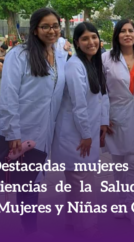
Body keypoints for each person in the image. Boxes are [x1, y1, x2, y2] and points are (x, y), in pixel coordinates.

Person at [0, 7, 66, 236]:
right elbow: (8, 95)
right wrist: (12, 132)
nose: (51, 30)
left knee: (31, 179)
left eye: (55, 26)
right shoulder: (20, 55)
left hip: (45, 128)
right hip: (23, 129)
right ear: (35, 30)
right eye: (45, 26)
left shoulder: (59, 54)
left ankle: (29, 224)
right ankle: (29, 228)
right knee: (26, 181)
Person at [51, 22, 108, 238]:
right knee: (84, 186)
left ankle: (71, 223)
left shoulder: (94, 63)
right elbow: (79, 105)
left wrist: (102, 123)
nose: (91, 42)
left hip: (87, 131)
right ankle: (87, 229)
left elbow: (103, 95)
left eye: (93, 37)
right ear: (76, 43)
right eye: (85, 39)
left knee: (78, 185)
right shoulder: (75, 65)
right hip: (76, 135)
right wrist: (86, 135)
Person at [101, 19, 134, 226]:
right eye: (122, 31)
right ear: (117, 35)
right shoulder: (106, 58)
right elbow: (101, 91)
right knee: (118, 163)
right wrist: (103, 117)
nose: (127, 34)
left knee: (133, 163)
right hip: (115, 116)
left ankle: (132, 205)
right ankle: (121, 201)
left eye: (130, 31)